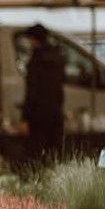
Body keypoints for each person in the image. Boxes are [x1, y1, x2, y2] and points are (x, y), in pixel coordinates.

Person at [21, 23, 65, 154]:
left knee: (37, 152)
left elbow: (32, 91)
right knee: (55, 152)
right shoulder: (58, 58)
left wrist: (25, 117)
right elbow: (60, 89)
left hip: (38, 115)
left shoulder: (35, 62)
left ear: (34, 40)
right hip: (55, 113)